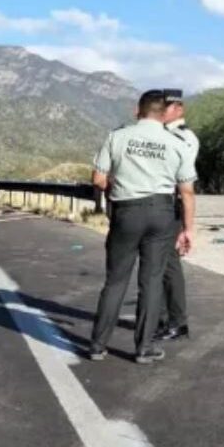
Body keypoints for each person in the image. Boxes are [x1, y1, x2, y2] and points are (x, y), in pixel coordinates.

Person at [89, 90, 198, 365]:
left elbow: (99, 178)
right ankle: (144, 348)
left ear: (138, 109)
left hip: (127, 211)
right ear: (164, 113)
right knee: (151, 281)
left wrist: (120, 186)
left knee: (115, 280)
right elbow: (187, 192)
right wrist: (188, 229)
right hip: (161, 213)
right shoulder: (177, 143)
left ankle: (98, 345)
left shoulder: (118, 136)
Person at [155, 89, 200, 342]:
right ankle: (159, 318)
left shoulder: (185, 137)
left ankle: (177, 321)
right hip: (158, 203)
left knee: (169, 265)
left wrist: (186, 224)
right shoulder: (159, 134)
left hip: (173, 202)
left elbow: (183, 179)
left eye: (168, 107)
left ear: (179, 109)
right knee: (156, 265)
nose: (164, 111)